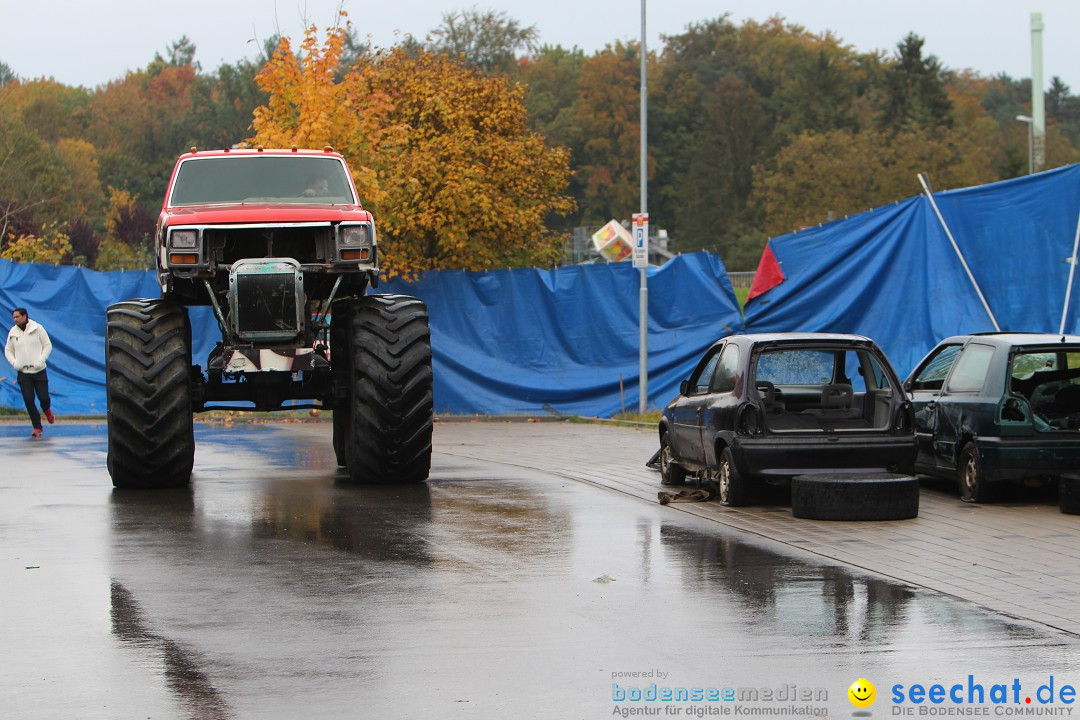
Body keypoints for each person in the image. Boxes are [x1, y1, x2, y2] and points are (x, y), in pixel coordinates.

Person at [5, 308, 54, 437]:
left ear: (24, 316)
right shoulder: (13, 332)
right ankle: (37, 426)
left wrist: (41, 359)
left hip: (39, 371)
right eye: (14, 317)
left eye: (17, 317)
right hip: (23, 373)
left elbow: (47, 345)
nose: (15, 320)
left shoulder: (37, 328)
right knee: (28, 399)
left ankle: (47, 410)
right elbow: (8, 350)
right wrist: (15, 363)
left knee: (43, 397)